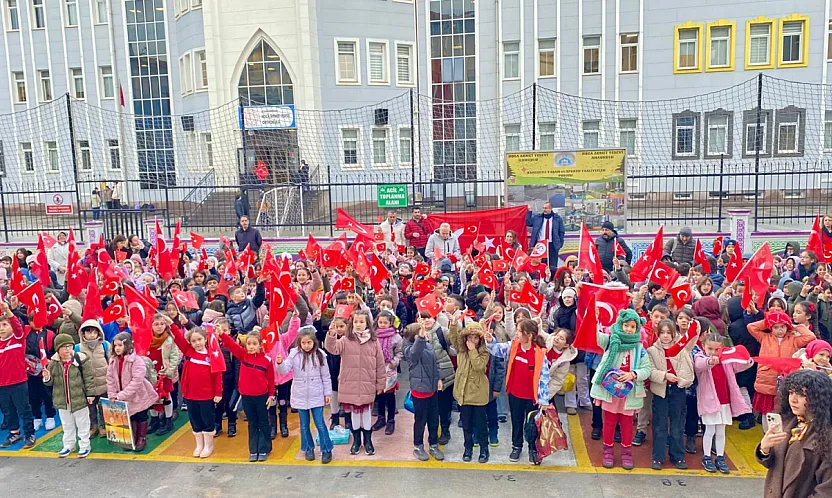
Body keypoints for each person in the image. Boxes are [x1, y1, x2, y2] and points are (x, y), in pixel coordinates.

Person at [590, 309, 651, 471]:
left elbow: (647, 369)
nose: (629, 329)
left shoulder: (639, 348)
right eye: (626, 325)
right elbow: (595, 336)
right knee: (609, 422)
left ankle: (626, 452)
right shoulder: (610, 340)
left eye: (632, 326)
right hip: (610, 391)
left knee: (627, 424)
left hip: (629, 393)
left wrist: (633, 374)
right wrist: (594, 320)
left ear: (637, 328)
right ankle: (608, 451)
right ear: (620, 324)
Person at [756, 369, 832, 497]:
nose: (793, 399)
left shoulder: (827, 435)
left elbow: (827, 489)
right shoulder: (787, 422)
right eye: (791, 392)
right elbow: (773, 465)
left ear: (819, 398)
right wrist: (764, 449)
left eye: (801, 394)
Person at [486, 318, 551, 464]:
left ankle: (533, 449)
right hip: (515, 393)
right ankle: (516, 446)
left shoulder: (540, 353)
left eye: (519, 331)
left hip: (532, 397)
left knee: (532, 424)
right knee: (516, 421)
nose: (516, 334)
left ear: (529, 335)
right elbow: (496, 350)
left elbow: (544, 377)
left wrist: (543, 399)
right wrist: (490, 340)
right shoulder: (513, 345)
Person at [324, 309, 386, 456]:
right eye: (356, 322)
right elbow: (333, 348)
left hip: (367, 383)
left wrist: (380, 384)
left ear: (367, 324)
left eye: (361, 322)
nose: (358, 324)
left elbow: (380, 364)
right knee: (354, 414)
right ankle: (357, 441)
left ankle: (368, 441)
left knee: (366, 413)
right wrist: (331, 335)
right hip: (350, 384)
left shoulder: (373, 341)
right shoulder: (345, 340)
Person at [694, 332, 753, 473]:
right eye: (710, 349)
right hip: (709, 402)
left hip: (724, 401)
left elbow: (739, 366)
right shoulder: (700, 357)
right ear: (703, 346)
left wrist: (747, 361)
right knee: (710, 430)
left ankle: (720, 457)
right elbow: (699, 365)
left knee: (721, 431)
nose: (713, 352)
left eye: (717, 349)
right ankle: (707, 457)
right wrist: (710, 362)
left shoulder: (726, 360)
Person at [275, 327, 334, 464]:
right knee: (304, 425)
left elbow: (326, 376)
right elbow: (284, 370)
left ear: (314, 342)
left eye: (309, 342)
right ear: (299, 343)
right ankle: (308, 448)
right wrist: (279, 363)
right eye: (303, 343)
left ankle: (326, 449)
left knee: (320, 424)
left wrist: (327, 393)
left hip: (316, 394)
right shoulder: (294, 354)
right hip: (300, 396)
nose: (306, 345)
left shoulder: (320, 355)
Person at [219, 325, 276, 462]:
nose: (251, 346)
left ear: (260, 345)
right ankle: (254, 449)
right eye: (249, 344)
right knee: (252, 423)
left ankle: (264, 448)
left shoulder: (267, 360)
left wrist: (271, 395)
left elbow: (271, 379)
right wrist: (222, 334)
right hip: (247, 397)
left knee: (263, 422)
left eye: (254, 344)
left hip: (262, 397)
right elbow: (231, 345)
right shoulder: (243, 355)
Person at [647, 319, 696, 470]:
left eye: (669, 332)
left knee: (677, 425)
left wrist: (694, 327)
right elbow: (650, 371)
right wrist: (664, 375)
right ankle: (658, 457)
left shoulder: (682, 347)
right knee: (659, 426)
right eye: (662, 332)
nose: (666, 336)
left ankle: (678, 456)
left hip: (678, 390)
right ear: (658, 334)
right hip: (661, 391)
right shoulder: (652, 350)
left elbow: (692, 339)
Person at [170, 323, 223, 458]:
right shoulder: (189, 351)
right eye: (193, 341)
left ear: (205, 339)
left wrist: (218, 392)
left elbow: (218, 375)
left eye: (199, 339)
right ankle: (199, 445)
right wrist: (172, 324)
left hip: (206, 395)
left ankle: (208, 445)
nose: (197, 343)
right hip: (190, 394)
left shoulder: (212, 355)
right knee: (195, 420)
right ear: (190, 342)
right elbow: (178, 337)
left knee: (207, 420)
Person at [43, 333, 95, 458]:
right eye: (64, 347)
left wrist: (90, 394)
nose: (67, 349)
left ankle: (85, 445)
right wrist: (47, 377)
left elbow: (88, 378)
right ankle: (68, 445)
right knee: (67, 425)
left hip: (79, 399)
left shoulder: (81, 359)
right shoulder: (54, 363)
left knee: (83, 424)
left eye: (69, 346)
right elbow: (50, 383)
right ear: (58, 349)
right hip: (62, 401)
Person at [106, 333, 159, 452]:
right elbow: (110, 379)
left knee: (141, 415)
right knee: (130, 416)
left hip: (138, 395)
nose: (117, 348)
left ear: (128, 345)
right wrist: (112, 394)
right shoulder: (113, 361)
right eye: (115, 345)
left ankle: (141, 438)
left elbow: (137, 381)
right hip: (123, 396)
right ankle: (132, 438)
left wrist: (121, 395)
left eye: (120, 345)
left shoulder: (136, 360)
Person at [450, 321, 490, 463]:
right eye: (470, 337)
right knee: (466, 424)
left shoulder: (484, 352)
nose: (472, 340)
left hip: (478, 394)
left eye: (476, 337)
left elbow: (479, 366)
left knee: (481, 424)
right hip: (463, 393)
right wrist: (453, 325)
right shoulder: (461, 350)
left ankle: (484, 449)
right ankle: (468, 448)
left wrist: (473, 350)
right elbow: (453, 338)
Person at [403, 321, 444, 461]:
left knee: (434, 419)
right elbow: (414, 354)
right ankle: (418, 445)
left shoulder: (428, 345)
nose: (425, 334)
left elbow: (436, 363)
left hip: (432, 389)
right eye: (421, 333)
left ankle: (433, 444)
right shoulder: (409, 349)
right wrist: (420, 338)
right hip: (420, 391)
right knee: (420, 420)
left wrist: (439, 378)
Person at [0, 302, 36, 448]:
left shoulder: (18, 338)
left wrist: (7, 310)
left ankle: (29, 434)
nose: (1, 328)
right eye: (0, 326)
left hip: (18, 382)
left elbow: (17, 326)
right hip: (2, 385)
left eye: (5, 325)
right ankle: (14, 433)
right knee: (8, 411)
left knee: (24, 409)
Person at [73, 320, 110, 439]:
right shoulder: (77, 348)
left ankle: (104, 425)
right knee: (90, 408)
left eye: (94, 332)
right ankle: (93, 426)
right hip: (87, 385)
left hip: (104, 383)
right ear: (83, 333)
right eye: (89, 332)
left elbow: (111, 362)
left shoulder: (105, 345)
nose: (92, 335)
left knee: (104, 406)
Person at [371, 311, 403, 435]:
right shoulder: (373, 335)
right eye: (380, 322)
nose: (382, 324)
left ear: (391, 323)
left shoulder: (396, 337)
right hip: (376, 368)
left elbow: (399, 353)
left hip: (389, 368)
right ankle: (381, 418)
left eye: (385, 322)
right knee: (379, 394)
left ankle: (390, 420)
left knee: (390, 396)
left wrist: (393, 363)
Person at [526, 202, 565, 273]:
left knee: (552, 265)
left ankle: (552, 278)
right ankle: (541, 277)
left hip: (552, 245)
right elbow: (528, 222)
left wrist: (560, 244)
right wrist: (529, 211)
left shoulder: (557, 218)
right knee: (540, 264)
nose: (544, 210)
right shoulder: (538, 218)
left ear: (550, 209)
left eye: (546, 208)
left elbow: (561, 232)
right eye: (543, 208)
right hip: (540, 244)